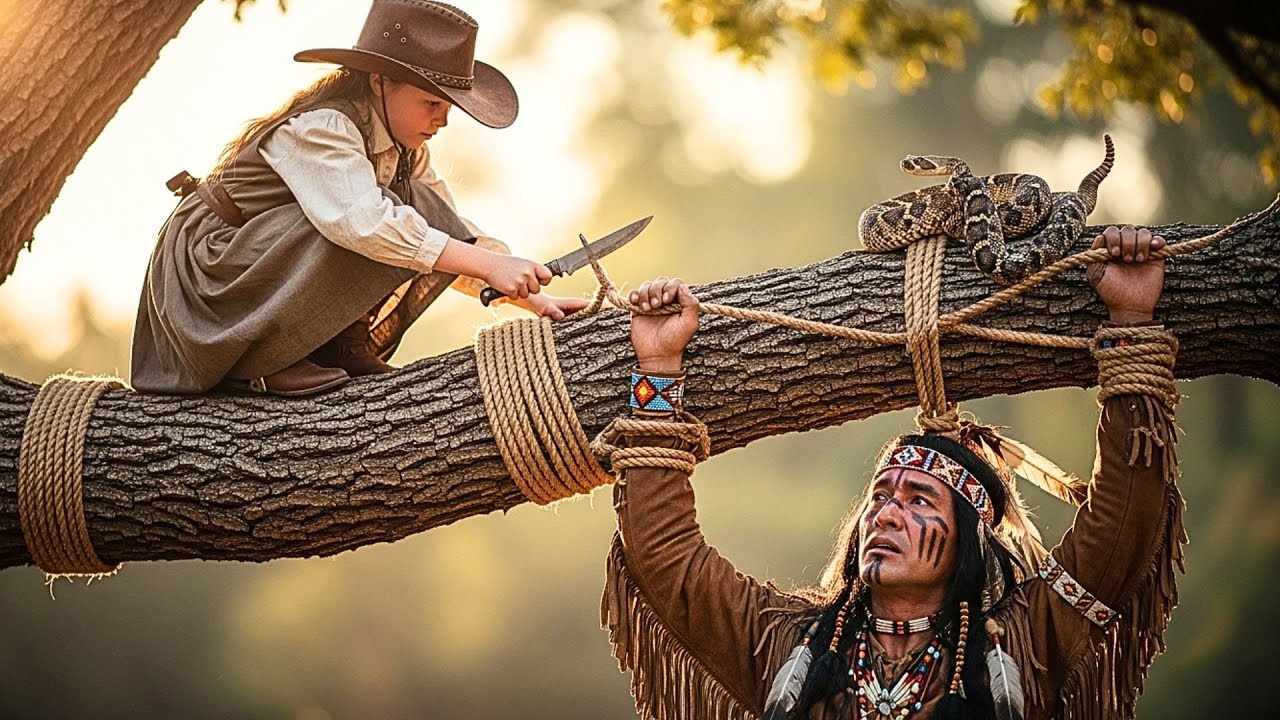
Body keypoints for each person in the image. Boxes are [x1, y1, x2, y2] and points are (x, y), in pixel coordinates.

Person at [598, 225, 1182, 720]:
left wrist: (1131, 319)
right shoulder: (786, 642)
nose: (886, 514)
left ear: (967, 542)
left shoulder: (1023, 642)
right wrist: (658, 367)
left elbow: (1122, 523)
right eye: (881, 496)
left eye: (920, 500)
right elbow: (666, 558)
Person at [131, 0, 586, 396]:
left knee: (419, 210)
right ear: (380, 82)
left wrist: (527, 297)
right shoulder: (321, 128)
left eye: (448, 108)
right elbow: (361, 222)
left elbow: (448, 229)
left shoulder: (405, 151)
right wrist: (488, 266)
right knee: (364, 219)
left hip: (258, 262)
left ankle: (338, 346)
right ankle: (261, 358)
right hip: (213, 275)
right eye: (432, 104)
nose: (442, 121)